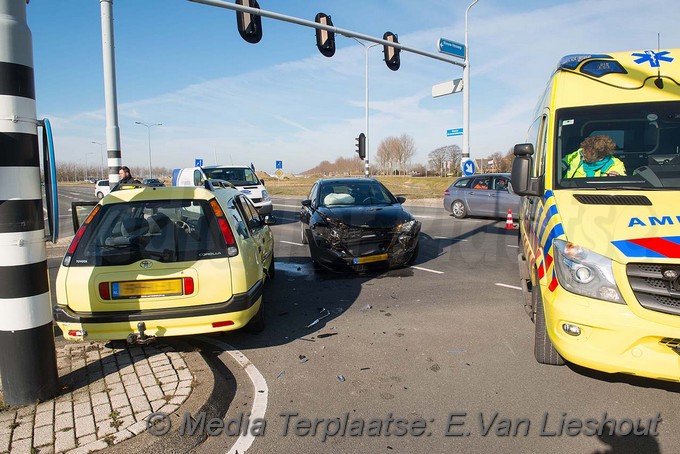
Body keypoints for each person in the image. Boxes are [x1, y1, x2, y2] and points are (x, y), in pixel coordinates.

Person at [562, 135, 626, 178]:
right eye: (583, 153)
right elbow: (557, 165)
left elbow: (622, 182)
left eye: (586, 156)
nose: (582, 158)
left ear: (600, 156)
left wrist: (616, 177)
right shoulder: (578, 153)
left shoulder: (616, 164)